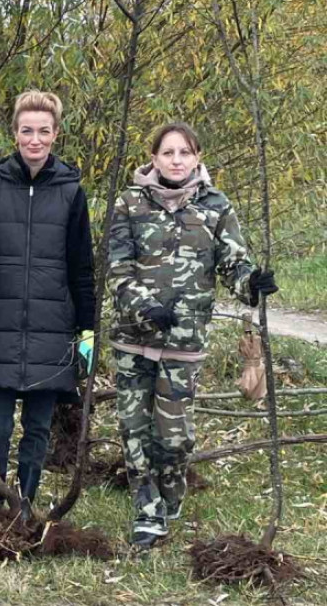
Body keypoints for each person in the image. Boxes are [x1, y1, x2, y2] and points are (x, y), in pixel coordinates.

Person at [108, 122, 278, 548]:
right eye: (168, 153)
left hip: (184, 342)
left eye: (184, 153)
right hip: (133, 338)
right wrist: (143, 305)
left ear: (197, 157)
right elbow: (117, 267)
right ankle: (147, 512)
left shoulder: (216, 207)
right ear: (153, 158)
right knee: (134, 429)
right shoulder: (130, 203)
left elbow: (232, 264)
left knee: (174, 437)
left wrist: (251, 283)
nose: (176, 160)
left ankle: (170, 492)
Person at [0, 90, 95, 523]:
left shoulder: (72, 192)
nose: (35, 139)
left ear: (56, 135)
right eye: (27, 130)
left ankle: (26, 502)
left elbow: (83, 268)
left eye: (44, 131)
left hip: (52, 327)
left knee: (36, 428)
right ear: (14, 134)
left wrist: (87, 331)